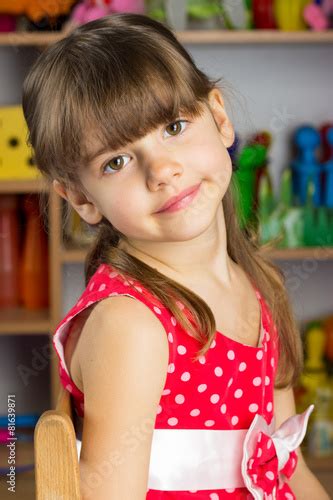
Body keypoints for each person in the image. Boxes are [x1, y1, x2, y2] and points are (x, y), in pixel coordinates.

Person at [22, 13, 330, 500]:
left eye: (175, 126)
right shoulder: (133, 325)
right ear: (81, 198)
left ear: (220, 118)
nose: (162, 169)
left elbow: (286, 466)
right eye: (117, 161)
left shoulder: (259, 284)